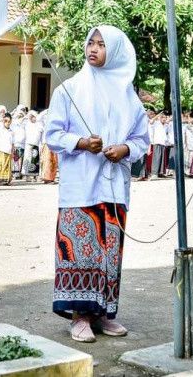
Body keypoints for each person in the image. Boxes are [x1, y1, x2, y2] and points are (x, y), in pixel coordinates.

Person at [46, 25, 150, 343]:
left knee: (109, 251)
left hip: (114, 187)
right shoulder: (69, 90)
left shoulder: (128, 96)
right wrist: (80, 142)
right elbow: (52, 134)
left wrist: (125, 149)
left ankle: (103, 314)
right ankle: (79, 316)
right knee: (80, 251)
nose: (93, 49)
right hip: (81, 187)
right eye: (90, 42)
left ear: (116, 51)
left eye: (101, 44)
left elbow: (141, 139)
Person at [0, 113, 14, 186]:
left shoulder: (11, 131)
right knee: (0, 165)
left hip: (8, 151)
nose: (7, 123)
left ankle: (6, 180)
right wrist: (0, 120)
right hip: (0, 150)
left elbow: (12, 143)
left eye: (9, 121)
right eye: (6, 121)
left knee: (7, 166)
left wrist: (12, 152)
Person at [22, 110, 43, 181]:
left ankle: (34, 176)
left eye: (34, 117)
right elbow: (21, 121)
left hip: (36, 145)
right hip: (28, 144)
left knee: (35, 161)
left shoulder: (39, 124)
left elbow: (41, 133)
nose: (33, 118)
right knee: (27, 159)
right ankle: (26, 176)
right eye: (31, 117)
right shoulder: (27, 123)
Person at [149, 112, 167, 178]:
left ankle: (160, 172)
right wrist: (158, 115)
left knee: (162, 159)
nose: (164, 119)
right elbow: (151, 121)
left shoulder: (165, 125)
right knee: (156, 158)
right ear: (160, 118)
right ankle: (154, 173)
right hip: (157, 142)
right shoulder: (156, 123)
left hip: (163, 143)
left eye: (165, 118)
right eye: (163, 117)